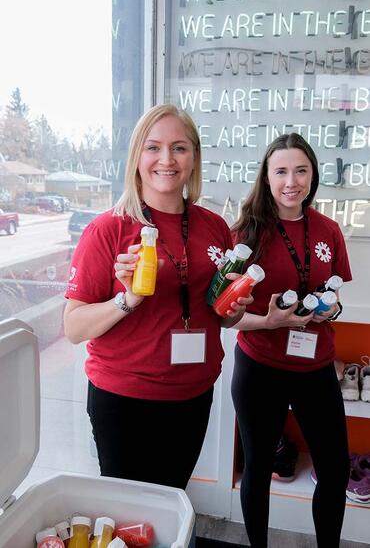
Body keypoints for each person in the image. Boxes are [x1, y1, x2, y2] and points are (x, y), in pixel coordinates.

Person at [64, 104, 250, 490]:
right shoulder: (108, 230)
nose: (167, 159)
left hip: (192, 395)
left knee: (171, 497)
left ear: (194, 158)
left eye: (179, 148)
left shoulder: (214, 227)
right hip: (124, 399)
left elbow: (220, 316)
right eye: (154, 147)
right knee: (128, 514)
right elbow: (73, 326)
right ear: (137, 158)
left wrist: (233, 309)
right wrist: (127, 299)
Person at [231, 133, 352, 548]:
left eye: (301, 170)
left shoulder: (328, 231)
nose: (291, 181)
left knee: (334, 470)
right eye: (281, 171)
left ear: (313, 176)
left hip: (316, 367)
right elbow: (226, 317)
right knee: (258, 465)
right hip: (259, 366)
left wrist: (329, 310)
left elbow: (335, 296)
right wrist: (268, 321)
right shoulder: (247, 233)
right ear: (266, 178)